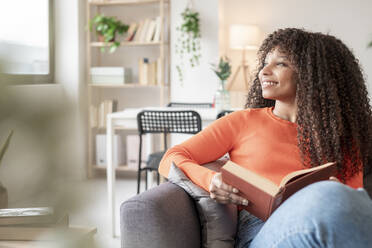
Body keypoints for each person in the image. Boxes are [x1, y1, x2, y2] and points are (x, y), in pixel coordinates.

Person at [159, 28, 372, 247]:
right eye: (265, 63)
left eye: (280, 63)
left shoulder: (340, 136)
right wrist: (211, 180)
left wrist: (335, 191)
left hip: (324, 223)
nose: (263, 71)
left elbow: (355, 203)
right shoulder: (242, 122)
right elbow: (171, 157)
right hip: (260, 232)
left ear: (311, 74)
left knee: (340, 201)